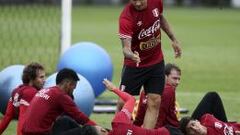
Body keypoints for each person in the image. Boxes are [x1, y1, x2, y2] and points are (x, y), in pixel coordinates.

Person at [117, 0, 182, 129]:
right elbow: (125, 48)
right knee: (123, 102)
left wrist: (173, 38)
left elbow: (160, 17)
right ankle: (119, 130)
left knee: (155, 101)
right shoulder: (126, 17)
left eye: (140, 0)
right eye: (134, 0)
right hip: (135, 65)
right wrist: (131, 55)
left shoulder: (157, 2)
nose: (137, 3)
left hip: (156, 62)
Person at [22, 68, 100, 135]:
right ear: (68, 84)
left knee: (65, 120)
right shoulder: (61, 95)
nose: (73, 90)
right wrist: (98, 129)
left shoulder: (46, 90)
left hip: (27, 133)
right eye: (73, 87)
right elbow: (80, 117)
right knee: (89, 130)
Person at [0, 62, 46, 135]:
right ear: (31, 79)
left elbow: (7, 117)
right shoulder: (30, 93)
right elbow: (23, 120)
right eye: (41, 77)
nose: (44, 80)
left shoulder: (16, 90)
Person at [134, 63, 181, 128]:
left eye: (179, 79)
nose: (177, 82)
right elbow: (159, 118)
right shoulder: (168, 90)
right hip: (167, 130)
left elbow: (139, 119)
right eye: (174, 78)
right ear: (164, 76)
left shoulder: (144, 91)